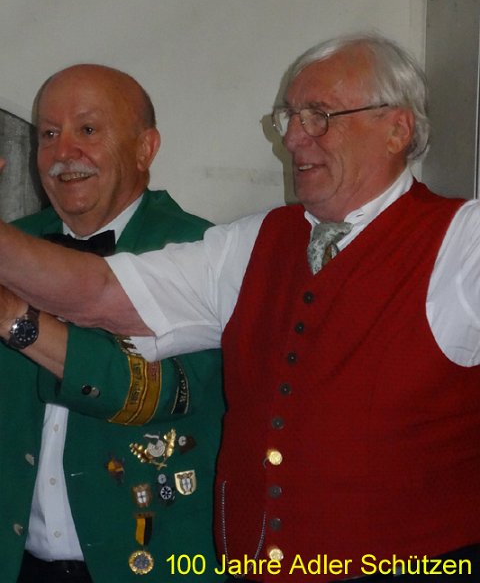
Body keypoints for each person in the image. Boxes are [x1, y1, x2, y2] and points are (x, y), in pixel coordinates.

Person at [0, 33, 479, 582]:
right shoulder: (253, 242)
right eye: (289, 118)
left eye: (319, 116)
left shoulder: (463, 240)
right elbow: (100, 294)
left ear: (397, 129)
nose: (293, 138)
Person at [0, 64, 225, 583]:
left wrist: (14, 318)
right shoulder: (13, 246)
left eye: (88, 129)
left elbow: (166, 392)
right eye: (48, 134)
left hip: (153, 568)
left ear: (146, 148)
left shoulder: (204, 255)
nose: (63, 152)